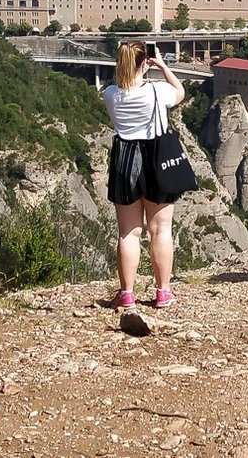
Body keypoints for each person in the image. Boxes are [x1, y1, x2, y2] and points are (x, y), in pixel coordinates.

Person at [103, 41, 187, 309]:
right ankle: (163, 292)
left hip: (125, 158)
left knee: (128, 232)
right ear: (144, 62)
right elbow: (180, 92)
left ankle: (127, 294)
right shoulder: (157, 91)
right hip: (155, 158)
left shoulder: (111, 94)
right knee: (160, 229)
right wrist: (162, 65)